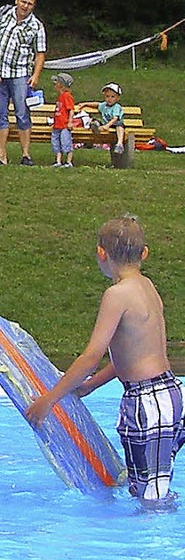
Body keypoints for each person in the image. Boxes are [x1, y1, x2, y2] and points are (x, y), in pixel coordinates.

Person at [25, 216, 185, 508]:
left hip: (146, 403)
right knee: (152, 486)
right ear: (144, 253)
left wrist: (49, 399)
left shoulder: (116, 295)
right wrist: (91, 387)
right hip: (172, 395)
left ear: (102, 254)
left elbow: (90, 357)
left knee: (150, 497)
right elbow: (132, 356)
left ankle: (149, 551)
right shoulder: (148, 287)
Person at [0, 0, 46, 165]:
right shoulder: (3, 13)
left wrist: (36, 75)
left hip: (20, 74)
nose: (25, 6)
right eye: (23, 1)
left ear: (33, 6)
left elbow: (40, 53)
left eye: (30, 4)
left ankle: (26, 155)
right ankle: (1, 155)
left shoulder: (36, 26)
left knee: (22, 113)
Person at [76, 82, 125, 155]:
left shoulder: (116, 107)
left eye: (112, 97)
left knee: (119, 125)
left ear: (118, 98)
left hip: (114, 124)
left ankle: (119, 144)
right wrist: (85, 104)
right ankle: (95, 127)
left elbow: (115, 118)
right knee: (94, 120)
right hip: (105, 124)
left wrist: (107, 126)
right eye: (107, 96)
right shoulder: (104, 105)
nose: (109, 99)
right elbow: (96, 105)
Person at [50, 72, 75, 168]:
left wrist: (69, 122)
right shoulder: (60, 97)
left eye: (56, 83)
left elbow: (71, 110)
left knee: (66, 142)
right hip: (57, 125)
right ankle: (58, 161)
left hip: (64, 125)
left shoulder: (67, 96)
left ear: (61, 85)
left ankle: (69, 162)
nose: (54, 85)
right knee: (56, 144)